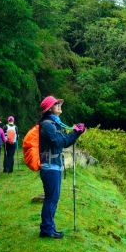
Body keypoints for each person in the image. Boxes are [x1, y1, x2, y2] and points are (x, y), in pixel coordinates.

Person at [38, 96, 85, 239]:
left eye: (58, 103)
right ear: (49, 109)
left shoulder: (56, 124)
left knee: (53, 198)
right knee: (51, 199)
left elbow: (64, 142)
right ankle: (46, 229)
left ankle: (49, 228)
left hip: (55, 166)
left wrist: (76, 133)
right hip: (49, 167)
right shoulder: (47, 124)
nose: (59, 105)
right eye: (56, 104)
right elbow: (58, 142)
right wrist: (74, 132)